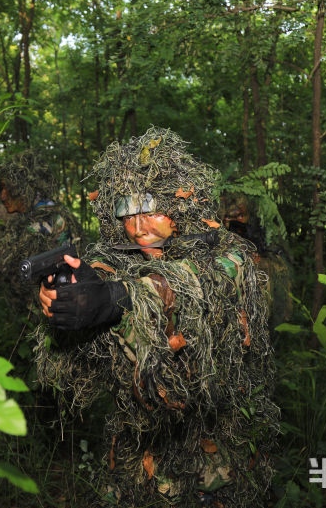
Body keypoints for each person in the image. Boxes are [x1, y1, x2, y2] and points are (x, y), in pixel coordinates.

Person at [32, 128, 278, 507]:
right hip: (135, 454)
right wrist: (69, 296)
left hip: (215, 455)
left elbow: (198, 286)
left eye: (150, 207)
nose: (138, 226)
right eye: (125, 212)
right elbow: (103, 280)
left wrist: (117, 299)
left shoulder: (229, 252)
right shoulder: (122, 255)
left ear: (181, 203)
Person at [0, 149, 82, 306]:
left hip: (55, 312)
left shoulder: (43, 221)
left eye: (8, 188)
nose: (3, 195)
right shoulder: (52, 211)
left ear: (25, 188)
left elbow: (2, 259)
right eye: (1, 189)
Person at [218, 192, 293, 327]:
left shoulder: (257, 228)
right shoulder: (222, 231)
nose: (237, 219)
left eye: (241, 215)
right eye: (231, 216)